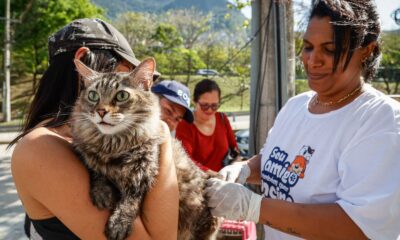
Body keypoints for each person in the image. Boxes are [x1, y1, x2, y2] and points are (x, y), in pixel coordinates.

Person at [205, 1, 400, 239]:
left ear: (366, 50)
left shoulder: (380, 120)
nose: (313, 60)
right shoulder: (296, 106)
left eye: (329, 49)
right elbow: (278, 163)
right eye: (308, 47)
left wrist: (253, 207)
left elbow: (358, 227)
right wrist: (245, 169)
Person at [10, 18, 179, 239]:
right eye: (124, 72)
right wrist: (161, 133)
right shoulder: (40, 148)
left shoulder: (92, 141)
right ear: (82, 62)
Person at [176, 79, 241, 175]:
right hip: (198, 183)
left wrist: (235, 166)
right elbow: (186, 161)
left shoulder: (222, 118)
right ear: (194, 101)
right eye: (204, 106)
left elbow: (235, 150)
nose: (210, 110)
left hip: (224, 180)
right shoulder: (185, 125)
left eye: (214, 106)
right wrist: (214, 175)